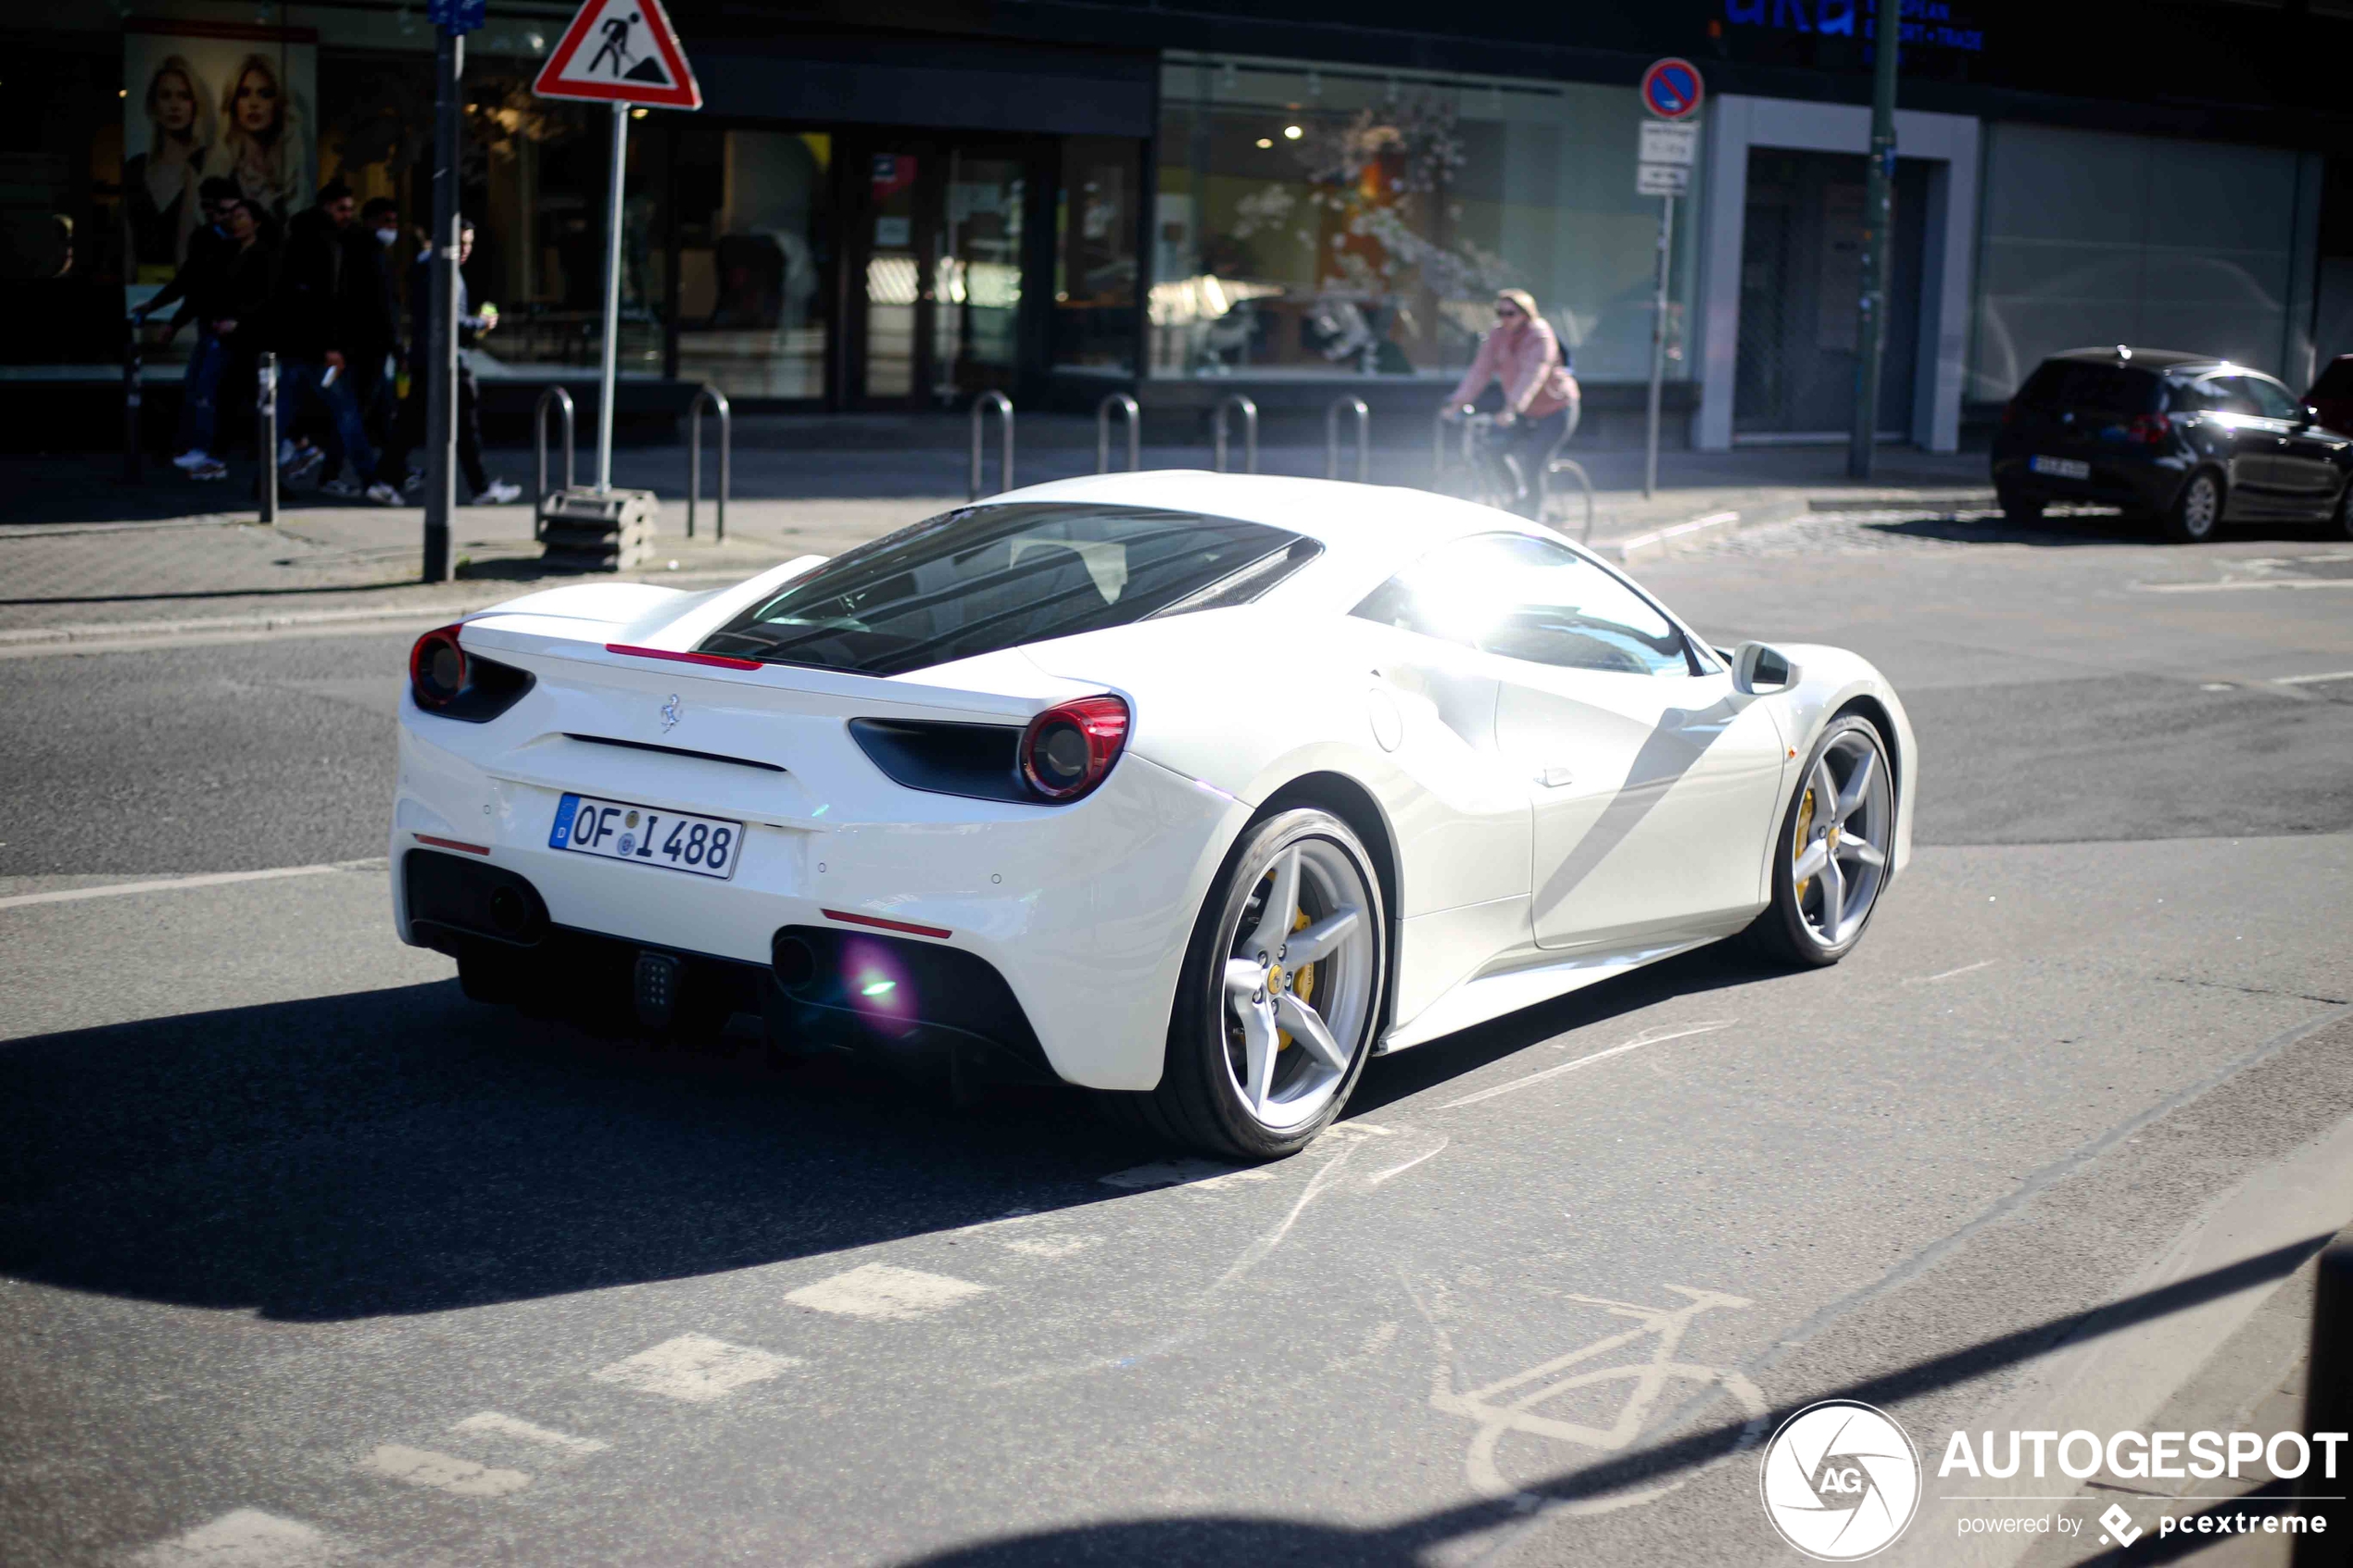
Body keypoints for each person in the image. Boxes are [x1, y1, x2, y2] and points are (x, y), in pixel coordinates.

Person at [373, 218, 520, 506]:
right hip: (444, 362)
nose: (466, 250)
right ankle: (479, 488)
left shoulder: (429, 265)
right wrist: (482, 322)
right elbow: (449, 320)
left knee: (418, 425)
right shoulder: (441, 270)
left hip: (434, 359)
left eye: (469, 244)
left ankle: (385, 481)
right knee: (456, 426)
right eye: (461, 243)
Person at [269, 181, 377, 495]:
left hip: (295, 344)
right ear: (327, 207)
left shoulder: (299, 238)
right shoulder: (323, 243)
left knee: (282, 414)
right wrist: (330, 346)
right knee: (346, 412)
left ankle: (265, 480)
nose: (348, 215)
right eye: (342, 208)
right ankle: (370, 478)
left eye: (350, 209)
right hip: (314, 348)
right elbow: (324, 300)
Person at [1441, 289, 1579, 519]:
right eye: (1499, 313)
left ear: (1526, 314)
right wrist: (1457, 403)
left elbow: (1533, 375)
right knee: (1496, 450)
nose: (1504, 318)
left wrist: (1512, 408)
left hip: (1556, 409)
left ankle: (1537, 519)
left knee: (1534, 462)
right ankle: (1518, 497)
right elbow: (1480, 371)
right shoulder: (1497, 336)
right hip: (1521, 410)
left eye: (1510, 313)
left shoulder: (1541, 336)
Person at [136, 178, 239, 473]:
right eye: (207, 208)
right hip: (212, 323)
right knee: (198, 387)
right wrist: (171, 317)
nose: (213, 215)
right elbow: (192, 283)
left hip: (230, 326)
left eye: (220, 209)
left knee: (209, 388)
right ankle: (197, 447)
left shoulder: (245, 243)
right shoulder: (205, 237)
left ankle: (208, 451)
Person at [123, 56, 213, 280]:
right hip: (141, 291)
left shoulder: (204, 166)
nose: (174, 105)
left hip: (192, 288)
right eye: (166, 96)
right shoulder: (135, 168)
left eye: (184, 96)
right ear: (153, 105)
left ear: (194, 105)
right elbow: (128, 249)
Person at [208, 53, 303, 233]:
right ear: (234, 102)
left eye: (265, 94)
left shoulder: (290, 164)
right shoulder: (220, 166)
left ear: (278, 102)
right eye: (244, 93)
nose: (254, 103)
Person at [345, 196, 405, 476]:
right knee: (359, 411)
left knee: (381, 411)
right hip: (371, 344)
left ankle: (394, 469)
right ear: (370, 222)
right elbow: (383, 306)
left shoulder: (370, 251)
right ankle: (336, 471)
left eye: (394, 222)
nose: (392, 228)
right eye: (386, 222)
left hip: (369, 343)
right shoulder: (371, 253)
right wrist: (397, 347)